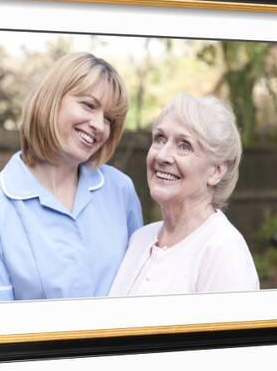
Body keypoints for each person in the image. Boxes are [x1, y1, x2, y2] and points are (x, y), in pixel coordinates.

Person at [0, 52, 143, 301]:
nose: (98, 125)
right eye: (89, 105)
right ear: (52, 100)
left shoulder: (120, 190)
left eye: (108, 119)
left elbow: (139, 289)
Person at [109, 94, 259, 297]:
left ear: (216, 171)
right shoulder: (140, 239)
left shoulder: (223, 251)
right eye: (160, 139)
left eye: (184, 146)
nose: (162, 156)